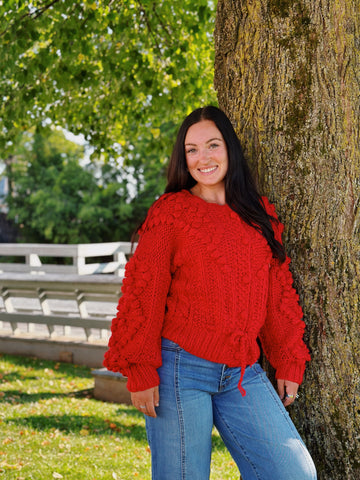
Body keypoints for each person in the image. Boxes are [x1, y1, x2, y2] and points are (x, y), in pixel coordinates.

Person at [104, 106, 317, 480]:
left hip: (243, 374)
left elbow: (276, 293)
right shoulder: (171, 212)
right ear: (183, 159)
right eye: (192, 149)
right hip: (179, 370)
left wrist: (287, 357)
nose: (203, 158)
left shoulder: (259, 216)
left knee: (293, 473)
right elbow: (144, 290)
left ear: (230, 149)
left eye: (212, 145)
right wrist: (140, 368)